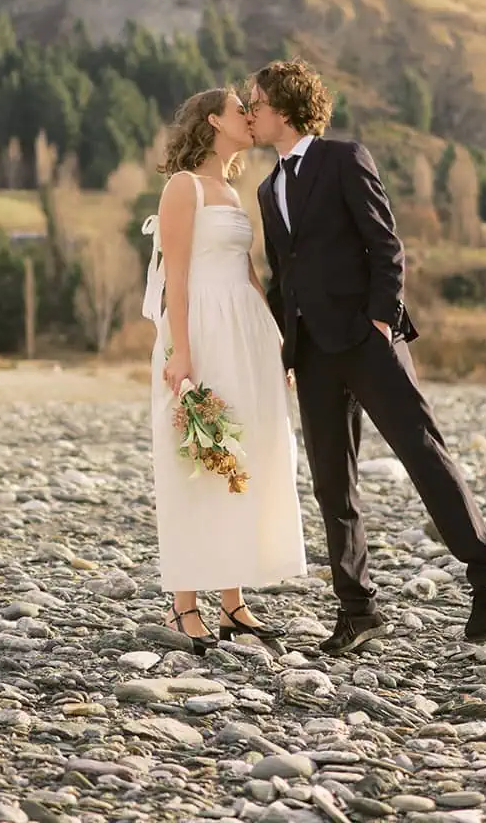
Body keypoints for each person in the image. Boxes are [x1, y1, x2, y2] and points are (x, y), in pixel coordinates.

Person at [247, 58, 486, 653]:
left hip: (370, 341)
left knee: (422, 454)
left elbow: (385, 243)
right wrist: (285, 349)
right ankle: (358, 608)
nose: (250, 111)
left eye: (256, 102)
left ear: (285, 108)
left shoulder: (344, 159)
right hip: (311, 352)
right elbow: (280, 275)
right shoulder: (268, 188)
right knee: (331, 485)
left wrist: (380, 320)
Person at [141, 87, 307, 652]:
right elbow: (177, 279)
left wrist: (279, 343)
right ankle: (183, 607)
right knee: (197, 457)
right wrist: (181, 353)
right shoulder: (182, 188)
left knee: (238, 457)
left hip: (245, 334)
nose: (250, 115)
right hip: (203, 332)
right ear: (214, 120)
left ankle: (233, 603)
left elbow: (250, 274)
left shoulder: (233, 193)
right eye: (242, 108)